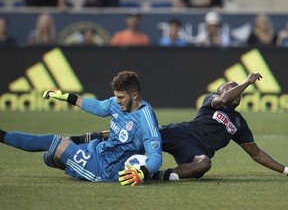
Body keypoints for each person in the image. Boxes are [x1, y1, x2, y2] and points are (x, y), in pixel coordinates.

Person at [70, 73, 288, 181]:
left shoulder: (239, 123)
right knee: (141, 133)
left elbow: (257, 154)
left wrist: (286, 170)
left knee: (204, 165)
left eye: (237, 89)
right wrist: (247, 82)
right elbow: (223, 100)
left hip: (196, 150)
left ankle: (161, 176)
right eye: (231, 89)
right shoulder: (212, 100)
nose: (236, 92)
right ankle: (88, 139)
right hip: (181, 132)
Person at [0, 71, 162, 186]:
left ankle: (2, 136)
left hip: (104, 170)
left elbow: (155, 155)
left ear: (134, 96)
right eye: (116, 96)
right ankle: (71, 165)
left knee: (52, 142)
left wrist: (142, 172)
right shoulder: (117, 103)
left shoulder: (145, 120)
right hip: (98, 151)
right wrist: (65, 97)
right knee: (49, 158)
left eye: (121, 97)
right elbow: (98, 107)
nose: (117, 101)